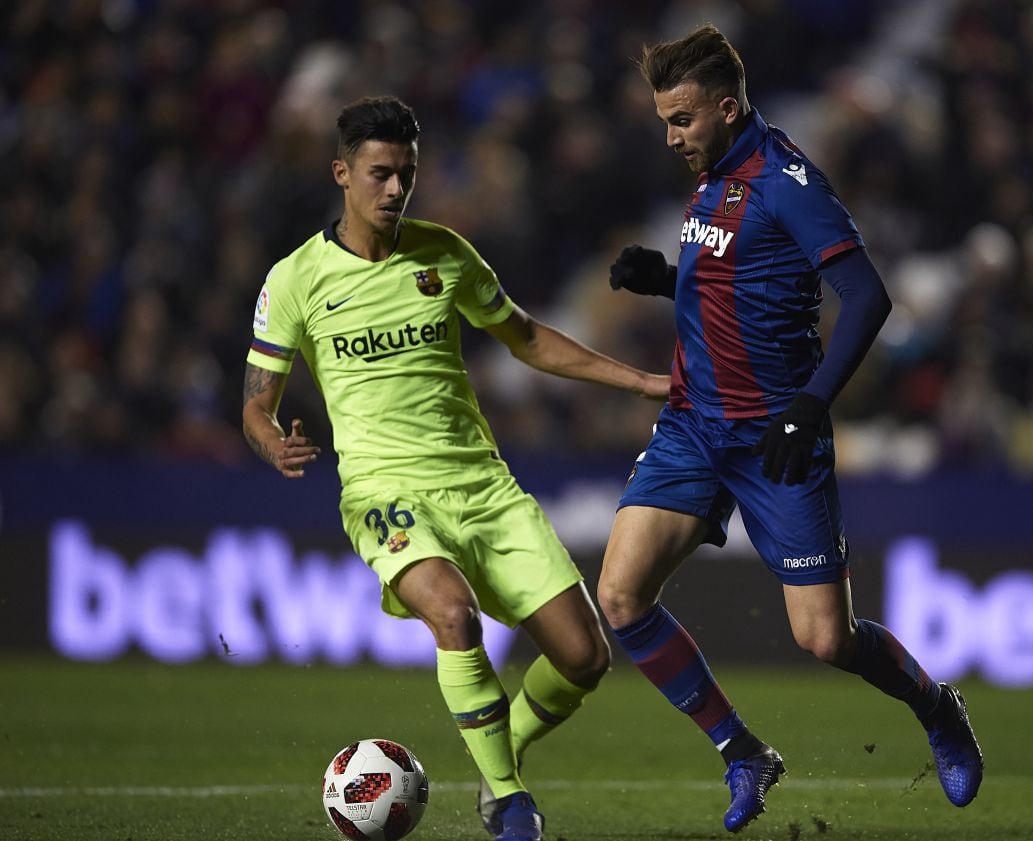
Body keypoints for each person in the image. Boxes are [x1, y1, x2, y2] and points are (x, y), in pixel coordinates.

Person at [241, 95, 667, 841]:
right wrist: (271, 439)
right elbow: (254, 403)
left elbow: (527, 339)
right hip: (384, 490)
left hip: (484, 487)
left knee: (584, 655)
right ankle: (509, 802)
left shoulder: (446, 254)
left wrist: (637, 380)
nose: (395, 189)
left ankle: (498, 757)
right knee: (453, 613)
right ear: (342, 173)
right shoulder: (296, 280)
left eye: (406, 173)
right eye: (379, 173)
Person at [597, 24, 984, 833]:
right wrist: (665, 280)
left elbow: (867, 296)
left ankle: (936, 705)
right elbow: (747, 283)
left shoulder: (786, 180)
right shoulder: (712, 175)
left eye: (681, 119)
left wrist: (810, 404)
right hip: (695, 424)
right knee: (622, 595)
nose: (670, 137)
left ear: (728, 108)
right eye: (664, 120)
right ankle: (742, 750)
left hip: (779, 435)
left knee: (824, 638)